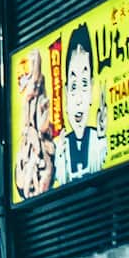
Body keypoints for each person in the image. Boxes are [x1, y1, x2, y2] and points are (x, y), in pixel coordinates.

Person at [54, 22, 108, 185]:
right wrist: (60, 156)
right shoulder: (62, 147)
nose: (78, 100)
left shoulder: (97, 139)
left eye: (84, 84)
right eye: (73, 86)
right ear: (65, 92)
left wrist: (101, 136)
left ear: (91, 89)